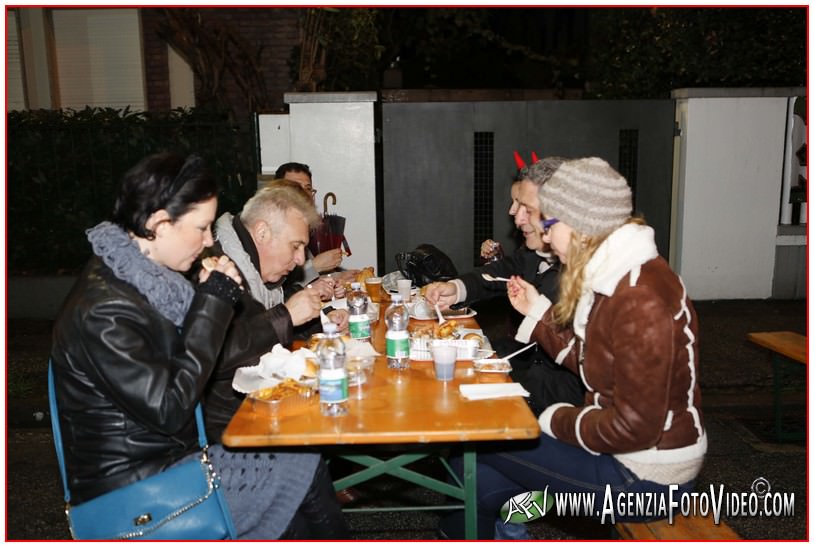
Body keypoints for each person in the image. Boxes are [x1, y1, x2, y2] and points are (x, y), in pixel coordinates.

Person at [50, 152, 348, 539]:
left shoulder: (150, 282)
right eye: (202, 228)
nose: (210, 241)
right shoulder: (104, 309)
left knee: (298, 467)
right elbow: (171, 409)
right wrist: (213, 303)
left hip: (172, 460)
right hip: (137, 491)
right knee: (297, 468)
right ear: (159, 224)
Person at [441, 157, 706, 539]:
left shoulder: (637, 296)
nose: (545, 238)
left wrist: (554, 421)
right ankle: (494, 530)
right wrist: (538, 313)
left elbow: (633, 429)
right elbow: (591, 362)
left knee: (472, 438)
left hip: (645, 477)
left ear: (581, 225)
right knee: (478, 479)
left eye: (549, 225)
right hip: (628, 457)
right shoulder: (621, 275)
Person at [424, 156, 585, 413]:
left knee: (455, 418)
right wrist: (456, 288)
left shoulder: (596, 275)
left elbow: (589, 374)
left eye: (525, 208)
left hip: (559, 407)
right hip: (534, 381)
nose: (514, 215)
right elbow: (499, 271)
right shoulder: (536, 254)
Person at [207, 181, 350, 431]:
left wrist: (322, 318)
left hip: (262, 404)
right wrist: (287, 316)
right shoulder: (220, 271)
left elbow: (264, 325)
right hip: (237, 421)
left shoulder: (252, 266)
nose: (299, 261)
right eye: (295, 246)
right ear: (262, 233)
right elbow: (219, 353)